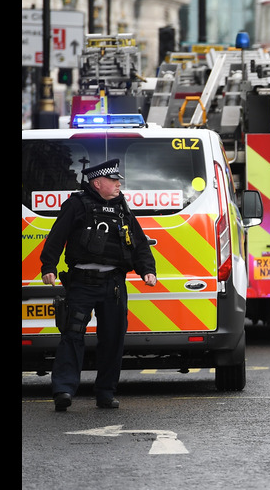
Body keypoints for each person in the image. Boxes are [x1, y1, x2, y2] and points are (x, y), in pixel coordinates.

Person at [41, 158, 157, 412]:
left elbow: (138, 244)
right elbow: (56, 237)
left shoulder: (122, 209)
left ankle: (105, 393)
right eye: (113, 181)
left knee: (113, 339)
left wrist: (147, 270)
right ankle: (63, 389)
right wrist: (48, 266)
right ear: (97, 183)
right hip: (82, 283)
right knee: (72, 335)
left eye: (118, 181)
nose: (118, 185)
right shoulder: (76, 205)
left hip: (113, 285)